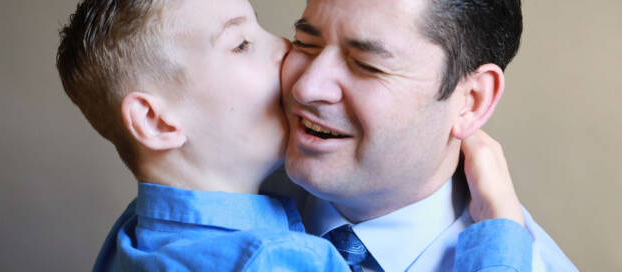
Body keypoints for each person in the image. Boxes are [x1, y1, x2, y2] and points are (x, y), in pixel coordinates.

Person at [56, 0, 533, 271]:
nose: (301, 79)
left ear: (471, 101)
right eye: (242, 43)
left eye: (366, 64)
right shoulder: (274, 257)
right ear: (158, 122)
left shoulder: (135, 232)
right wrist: (500, 227)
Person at [279, 0, 578, 271]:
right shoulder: (238, 179)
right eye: (305, 44)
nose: (306, 88)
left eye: (367, 66)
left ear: (471, 102)